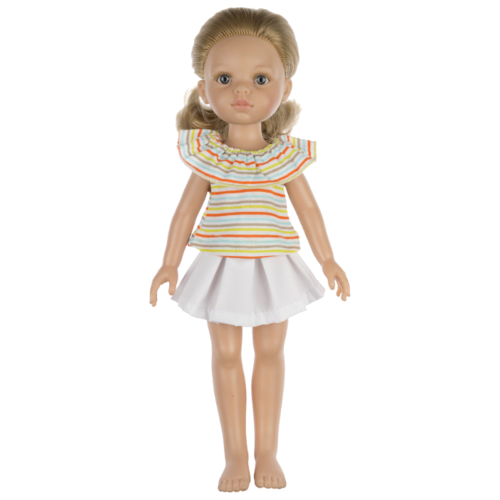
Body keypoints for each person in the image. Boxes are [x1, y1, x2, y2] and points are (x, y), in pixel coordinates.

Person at [150, 7, 350, 492]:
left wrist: (327, 258)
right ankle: (235, 455)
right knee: (224, 356)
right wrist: (169, 263)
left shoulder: (284, 157)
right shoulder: (208, 157)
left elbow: (308, 209)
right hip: (221, 266)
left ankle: (268, 453)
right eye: (225, 78)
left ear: (285, 87)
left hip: (273, 265)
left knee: (271, 353)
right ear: (204, 89)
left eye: (261, 79)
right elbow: (184, 211)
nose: (242, 91)